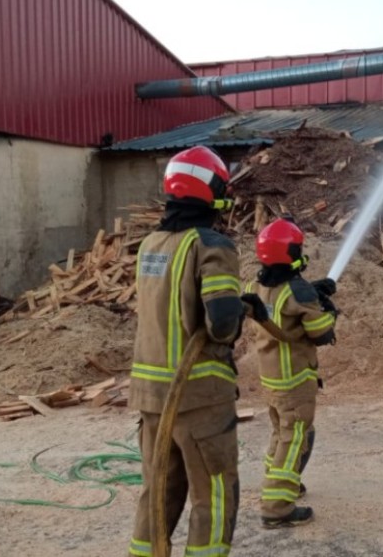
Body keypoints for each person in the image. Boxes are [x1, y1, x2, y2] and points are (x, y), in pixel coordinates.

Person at [127, 146, 243, 557]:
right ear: (211, 191)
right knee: (212, 493)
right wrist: (241, 310)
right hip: (198, 397)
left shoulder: (151, 245)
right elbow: (223, 323)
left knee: (158, 492)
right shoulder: (212, 245)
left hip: (151, 399)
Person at [241, 218, 338, 529]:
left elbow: (282, 310)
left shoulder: (255, 286)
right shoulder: (298, 291)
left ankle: (280, 485)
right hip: (295, 380)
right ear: (292, 252)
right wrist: (327, 308)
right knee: (295, 437)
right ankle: (278, 507)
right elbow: (320, 333)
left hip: (270, 378)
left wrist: (313, 291)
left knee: (280, 433)